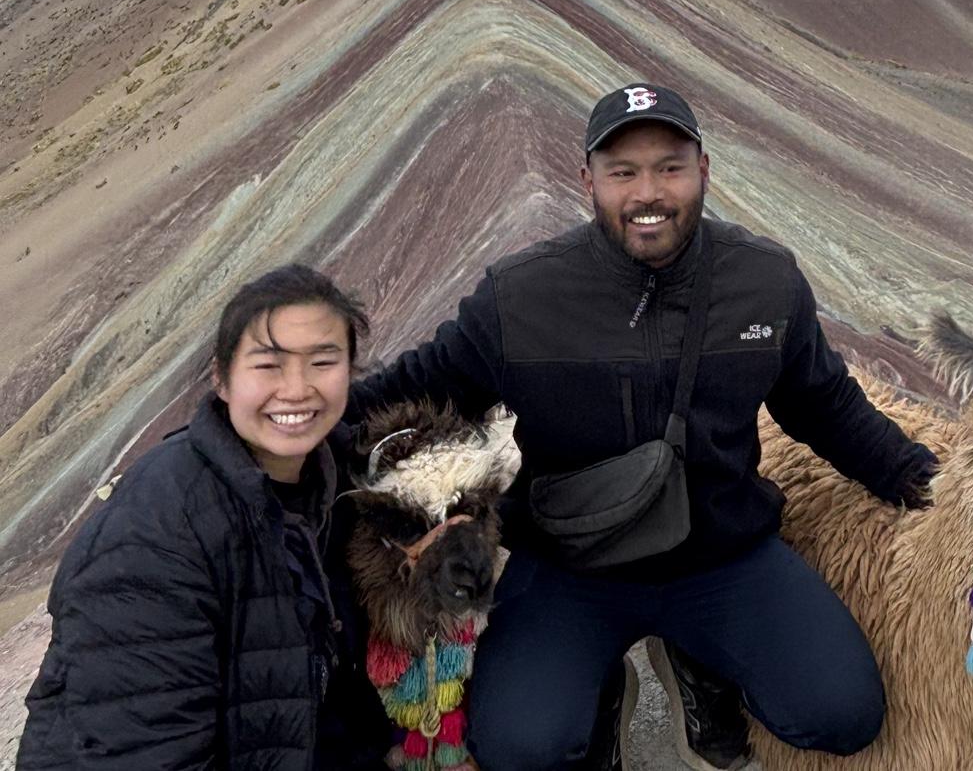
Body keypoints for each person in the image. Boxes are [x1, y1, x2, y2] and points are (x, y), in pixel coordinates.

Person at [346, 83, 937, 771]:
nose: (647, 192)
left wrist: (929, 482)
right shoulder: (519, 298)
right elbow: (412, 389)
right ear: (587, 180)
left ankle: (698, 662)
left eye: (669, 167)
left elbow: (826, 406)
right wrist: (284, 438)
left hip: (724, 559)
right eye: (623, 172)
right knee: (519, 747)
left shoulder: (764, 283)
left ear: (704, 171)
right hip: (567, 567)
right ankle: (601, 690)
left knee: (842, 715)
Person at [17, 265, 392, 771]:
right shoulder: (156, 533)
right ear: (221, 378)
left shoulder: (331, 482)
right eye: (268, 366)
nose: (298, 389)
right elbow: (145, 752)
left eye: (323, 361)